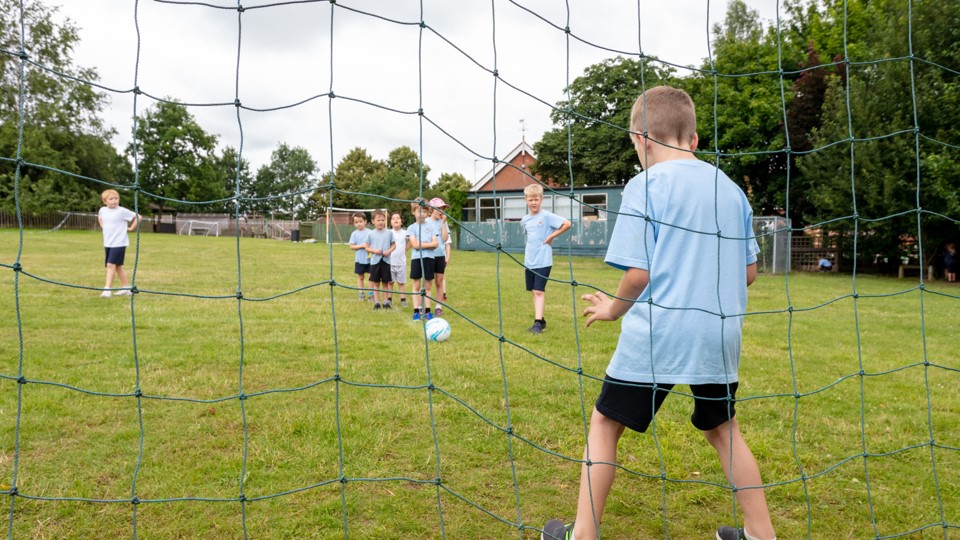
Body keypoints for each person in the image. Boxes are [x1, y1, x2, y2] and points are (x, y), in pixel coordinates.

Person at [542, 86, 776, 540]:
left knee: (605, 424)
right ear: (692, 139)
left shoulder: (644, 185)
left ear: (641, 137)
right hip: (718, 333)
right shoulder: (731, 191)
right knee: (725, 430)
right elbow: (749, 274)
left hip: (660, 332)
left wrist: (612, 308)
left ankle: (582, 535)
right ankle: (760, 535)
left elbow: (638, 274)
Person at [521, 183, 571, 334]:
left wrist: (550, 237)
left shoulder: (547, 216)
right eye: (531, 200)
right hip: (530, 260)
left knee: (538, 291)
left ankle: (537, 324)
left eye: (536, 199)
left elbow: (567, 224)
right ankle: (541, 320)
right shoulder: (524, 220)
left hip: (543, 260)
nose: (534, 202)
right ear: (526, 200)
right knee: (533, 291)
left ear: (541, 199)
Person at [97, 189, 141, 298]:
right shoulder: (102, 210)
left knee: (110, 265)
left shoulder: (121, 211)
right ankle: (126, 288)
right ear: (105, 201)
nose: (114, 201)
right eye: (111, 199)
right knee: (117, 267)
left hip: (119, 243)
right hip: (108, 243)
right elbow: (100, 217)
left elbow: (138, 217)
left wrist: (131, 228)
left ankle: (107, 289)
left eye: (116, 198)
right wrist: (102, 225)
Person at [406, 198, 440, 321]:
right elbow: (414, 245)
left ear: (428, 213)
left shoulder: (431, 227)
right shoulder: (411, 228)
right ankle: (416, 311)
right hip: (416, 259)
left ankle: (427, 311)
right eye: (419, 211)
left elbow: (435, 244)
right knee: (416, 285)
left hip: (429, 259)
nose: (422, 214)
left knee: (428, 287)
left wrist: (422, 243)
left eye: (425, 211)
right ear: (413, 212)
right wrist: (427, 244)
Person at [365, 209, 396, 310]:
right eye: (378, 220)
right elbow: (366, 247)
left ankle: (386, 302)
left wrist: (389, 251)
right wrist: (374, 251)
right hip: (375, 262)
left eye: (383, 220)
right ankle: (377, 302)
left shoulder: (389, 233)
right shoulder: (370, 234)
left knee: (385, 283)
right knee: (376, 282)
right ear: (373, 221)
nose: (381, 222)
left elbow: (394, 245)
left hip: (386, 261)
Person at [427, 197, 451, 316]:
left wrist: (444, 223)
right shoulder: (426, 221)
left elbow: (445, 239)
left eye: (442, 209)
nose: (441, 211)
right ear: (432, 209)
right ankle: (426, 306)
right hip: (429, 255)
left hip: (440, 255)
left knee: (439, 281)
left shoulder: (443, 222)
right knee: (428, 282)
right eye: (438, 208)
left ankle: (438, 306)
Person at [388, 211, 410, 308]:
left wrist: (406, 248)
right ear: (390, 222)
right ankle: (389, 299)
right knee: (390, 282)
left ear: (401, 221)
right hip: (390, 262)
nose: (396, 220)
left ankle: (403, 299)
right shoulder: (388, 233)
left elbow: (411, 241)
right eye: (393, 218)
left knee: (401, 282)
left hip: (401, 262)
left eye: (398, 218)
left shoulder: (405, 233)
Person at [348, 212, 371, 301]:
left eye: (360, 221)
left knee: (371, 277)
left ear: (365, 221)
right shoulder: (354, 234)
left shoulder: (370, 232)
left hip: (370, 260)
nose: (359, 224)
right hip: (359, 260)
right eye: (356, 222)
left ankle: (371, 294)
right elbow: (352, 246)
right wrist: (362, 246)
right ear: (354, 223)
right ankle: (361, 294)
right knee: (360, 277)